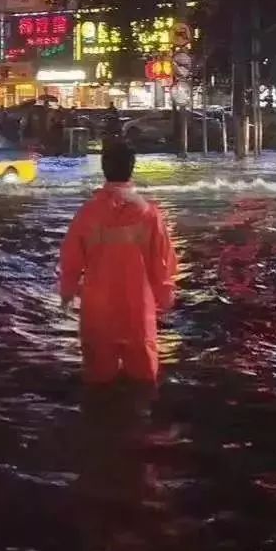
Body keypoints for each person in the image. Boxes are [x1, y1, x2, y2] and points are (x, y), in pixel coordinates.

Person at [58, 140, 177, 390]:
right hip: (138, 311)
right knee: (144, 383)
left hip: (97, 311)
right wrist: (165, 297)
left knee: (98, 384)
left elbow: (70, 259)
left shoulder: (87, 213)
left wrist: (67, 293)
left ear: (103, 168)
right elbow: (163, 262)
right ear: (132, 168)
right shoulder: (149, 214)